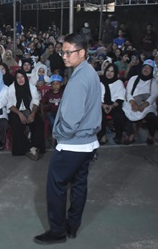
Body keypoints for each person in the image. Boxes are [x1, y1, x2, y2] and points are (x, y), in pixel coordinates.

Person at [34, 33, 101, 245]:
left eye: (68, 52)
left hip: (73, 145)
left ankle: (57, 231)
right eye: (62, 51)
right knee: (79, 185)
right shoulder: (90, 72)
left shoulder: (78, 80)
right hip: (88, 143)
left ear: (82, 53)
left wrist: (58, 134)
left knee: (56, 186)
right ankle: (72, 226)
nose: (63, 56)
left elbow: (71, 122)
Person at [7, 69, 45, 158]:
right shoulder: (11, 88)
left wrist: (33, 113)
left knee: (38, 123)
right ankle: (30, 149)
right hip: (15, 111)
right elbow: (9, 104)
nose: (20, 79)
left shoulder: (31, 87)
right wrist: (19, 114)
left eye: (22, 77)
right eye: (18, 77)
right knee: (16, 125)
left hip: (30, 110)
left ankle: (36, 147)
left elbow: (36, 101)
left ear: (25, 77)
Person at [122, 59, 158, 145]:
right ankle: (130, 133)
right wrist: (133, 103)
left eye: (149, 68)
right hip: (133, 101)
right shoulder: (133, 78)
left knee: (151, 117)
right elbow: (128, 92)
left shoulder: (154, 82)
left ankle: (151, 135)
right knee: (125, 112)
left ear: (152, 70)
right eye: (145, 67)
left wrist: (143, 106)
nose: (146, 69)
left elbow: (154, 96)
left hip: (147, 105)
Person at [98, 63, 126, 145]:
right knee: (100, 116)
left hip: (114, 105)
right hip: (101, 104)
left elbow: (121, 98)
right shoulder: (99, 81)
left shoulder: (118, 82)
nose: (109, 73)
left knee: (120, 117)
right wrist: (103, 105)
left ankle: (118, 136)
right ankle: (102, 136)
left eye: (112, 71)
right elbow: (95, 96)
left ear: (115, 73)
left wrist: (112, 106)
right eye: (108, 71)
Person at [40, 74, 64, 147]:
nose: (55, 86)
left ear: (61, 84)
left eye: (57, 84)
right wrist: (42, 113)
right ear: (51, 85)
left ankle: (59, 138)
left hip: (59, 113)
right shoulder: (48, 94)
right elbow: (42, 103)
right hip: (50, 112)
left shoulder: (62, 93)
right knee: (53, 121)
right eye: (53, 84)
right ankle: (54, 137)